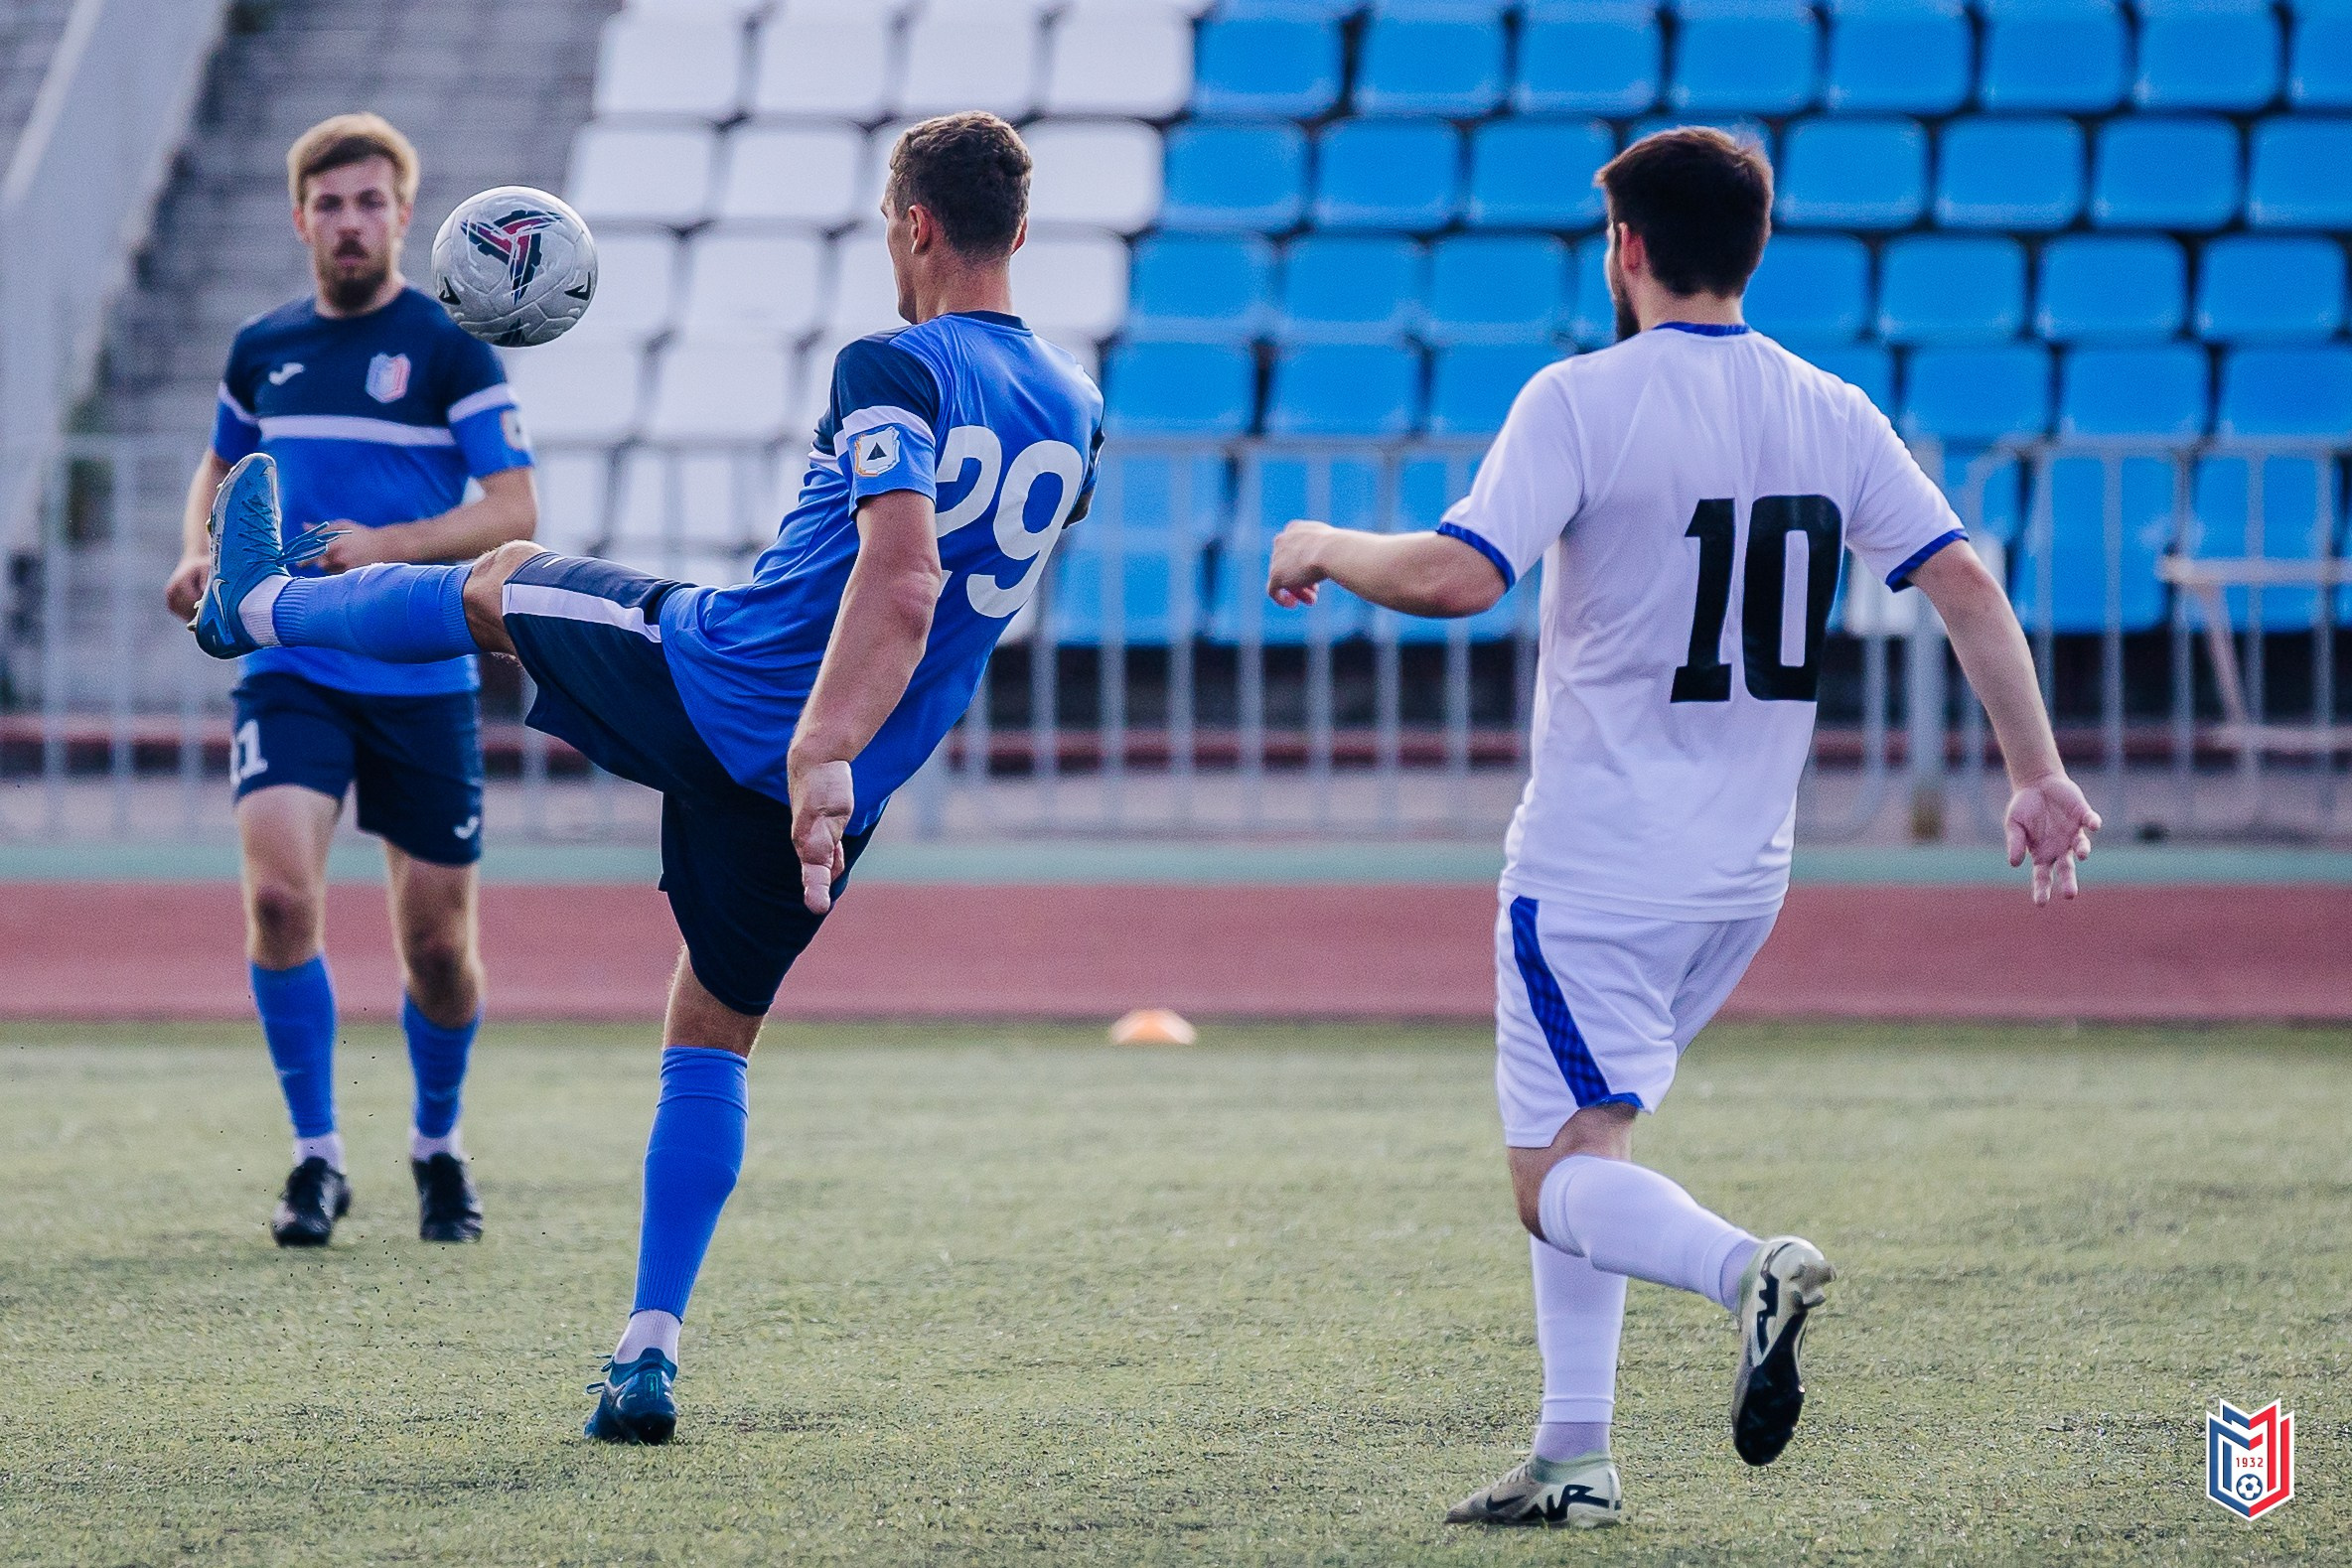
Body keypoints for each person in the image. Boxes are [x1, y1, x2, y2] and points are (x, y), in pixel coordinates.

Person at [185, 112, 1102, 1445]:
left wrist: (816, 740)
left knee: (499, 586)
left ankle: (259, 605)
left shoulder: (892, 362)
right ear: (1018, 228)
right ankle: (647, 1347)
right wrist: (840, 759)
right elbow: (958, 592)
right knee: (709, 1037)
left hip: (727, 684)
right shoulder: (1077, 403)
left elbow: (902, 577)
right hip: (843, 783)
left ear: (913, 225)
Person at [1263, 128, 2102, 1528]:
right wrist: (2036, 771)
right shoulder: (1832, 408)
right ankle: (1573, 1456)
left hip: (1596, 864)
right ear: (1752, 248)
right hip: (1743, 874)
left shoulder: (1581, 397)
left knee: (1548, 1182)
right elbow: (1963, 582)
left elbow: (1462, 574)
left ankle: (1744, 1269)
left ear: (1628, 249)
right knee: (1583, 1135)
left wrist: (1323, 545)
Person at [164, 113, 537, 1249]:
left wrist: (389, 545)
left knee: (437, 946)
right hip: (290, 663)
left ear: (402, 216)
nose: (350, 221)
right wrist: (196, 552)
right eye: (329, 204)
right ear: (300, 220)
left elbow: (513, 508)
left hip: (420, 673)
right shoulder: (262, 347)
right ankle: (317, 1154)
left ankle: (436, 1143)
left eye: (370, 202)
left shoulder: (450, 346)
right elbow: (220, 469)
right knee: (280, 900)